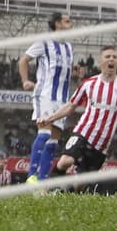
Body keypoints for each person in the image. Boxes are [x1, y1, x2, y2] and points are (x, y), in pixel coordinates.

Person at [38, 45, 117, 181]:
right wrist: (50, 119)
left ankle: (64, 196)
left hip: (102, 143)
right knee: (65, 161)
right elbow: (70, 106)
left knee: (81, 183)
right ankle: (46, 190)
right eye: (107, 57)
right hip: (83, 133)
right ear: (100, 62)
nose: (111, 59)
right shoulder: (89, 84)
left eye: (114, 57)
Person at [19, 11, 76, 185]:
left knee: (53, 141)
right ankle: (32, 175)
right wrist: (25, 81)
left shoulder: (69, 47)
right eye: (67, 21)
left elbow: (62, 71)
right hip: (45, 94)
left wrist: (76, 74)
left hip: (62, 99)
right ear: (57, 24)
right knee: (44, 133)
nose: (71, 24)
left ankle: (43, 183)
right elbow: (23, 60)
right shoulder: (44, 42)